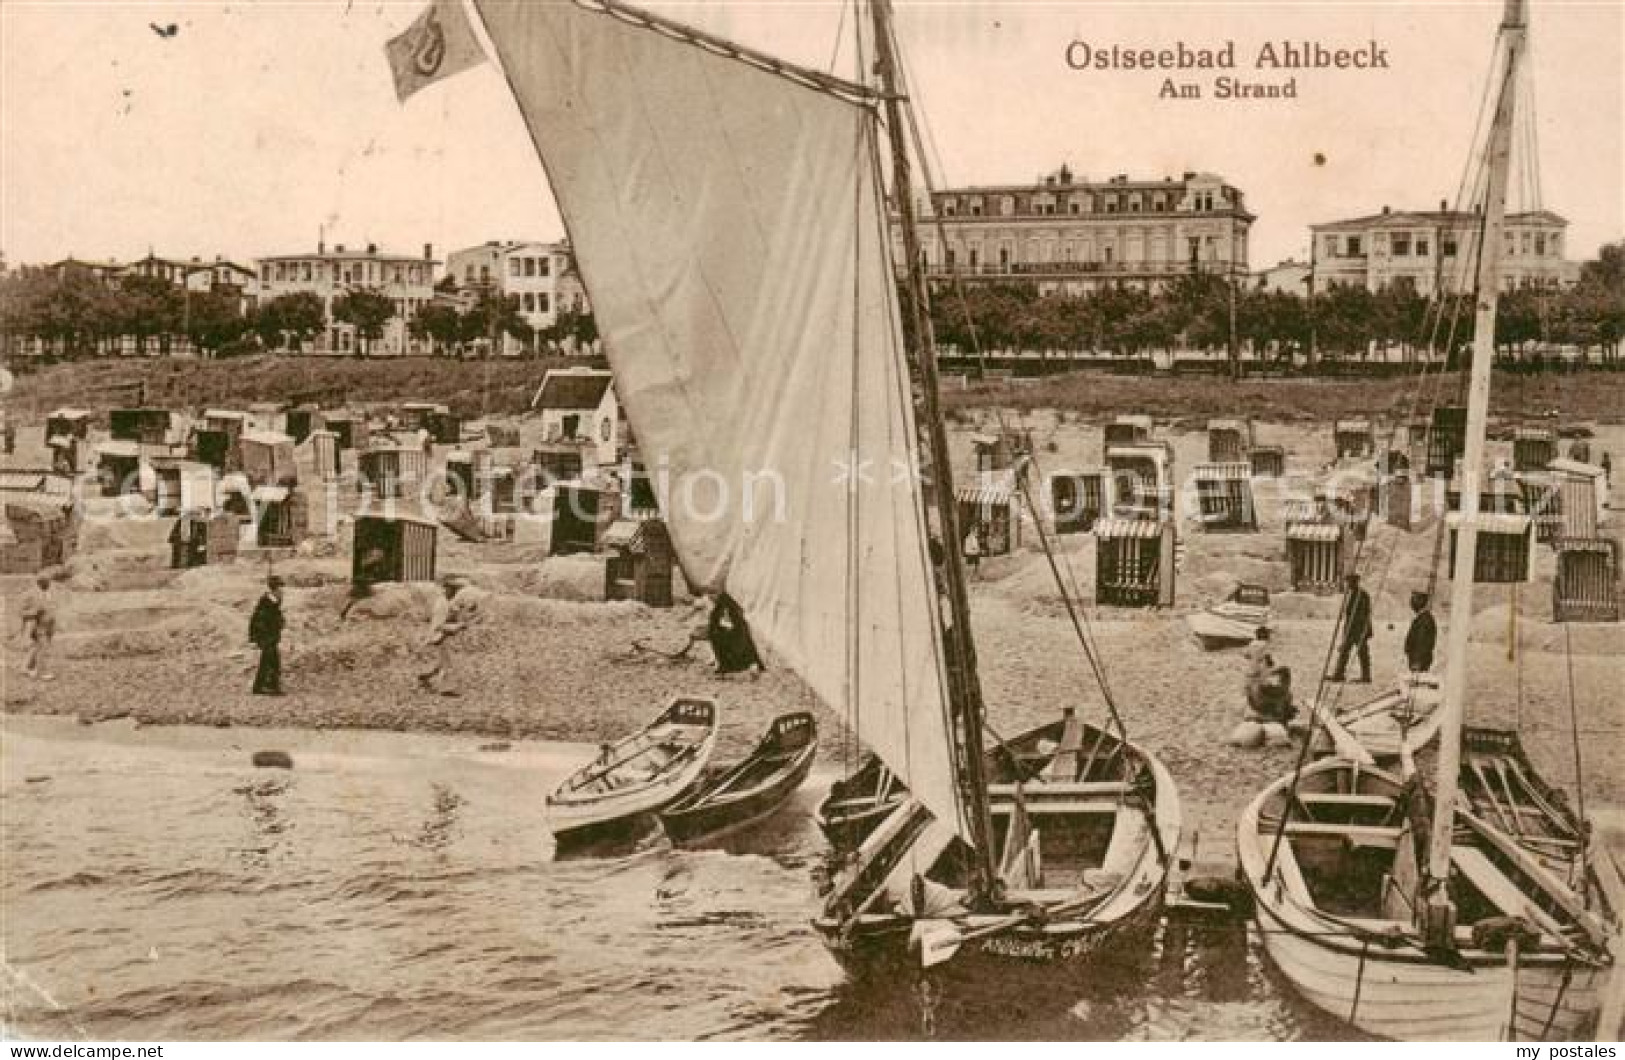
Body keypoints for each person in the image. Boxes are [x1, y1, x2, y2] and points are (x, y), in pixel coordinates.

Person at [419, 575, 477, 695]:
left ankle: (425, 677)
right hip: (438, 636)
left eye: (456, 590)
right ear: (447, 589)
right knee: (446, 664)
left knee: (440, 663)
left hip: (440, 636)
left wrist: (460, 614)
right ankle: (444, 688)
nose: (455, 593)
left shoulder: (444, 602)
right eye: (453, 590)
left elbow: (449, 615)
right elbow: (439, 625)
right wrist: (457, 626)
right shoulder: (442, 604)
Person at [1329, 573, 1373, 683]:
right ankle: (1339, 674)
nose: (1347, 584)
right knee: (1344, 651)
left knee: (1362, 652)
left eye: (1349, 582)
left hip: (1359, 629)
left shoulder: (1362, 595)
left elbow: (1363, 614)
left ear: (1355, 582)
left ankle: (1366, 676)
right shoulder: (1351, 594)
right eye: (1347, 582)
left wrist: (1360, 630)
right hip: (1351, 628)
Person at [1245, 629, 1296, 725]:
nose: (1269, 636)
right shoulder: (1264, 645)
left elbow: (1246, 655)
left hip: (1249, 683)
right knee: (1285, 677)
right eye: (1268, 634)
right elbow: (1270, 662)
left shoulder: (1252, 643)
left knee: (1269, 682)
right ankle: (1281, 711)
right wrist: (1276, 668)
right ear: (1265, 635)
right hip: (1259, 688)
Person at [707, 593, 764, 675]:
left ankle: (725, 666)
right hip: (736, 634)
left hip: (735, 637)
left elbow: (728, 623)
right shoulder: (723, 606)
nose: (711, 597)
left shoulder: (726, 607)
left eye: (712, 595)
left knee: (718, 639)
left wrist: (719, 628)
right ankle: (723, 664)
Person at [248, 575, 285, 695]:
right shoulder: (266, 602)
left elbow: (276, 618)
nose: (282, 592)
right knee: (269, 661)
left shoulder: (273, 603)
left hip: (271, 637)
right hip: (267, 638)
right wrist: (263, 638)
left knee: (271, 661)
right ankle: (266, 687)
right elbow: (259, 621)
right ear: (275, 589)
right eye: (280, 588)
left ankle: (264, 686)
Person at [19, 575, 58, 680]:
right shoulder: (30, 595)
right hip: (37, 626)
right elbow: (22, 612)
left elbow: (52, 610)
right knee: (43, 648)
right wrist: (34, 612)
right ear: (39, 583)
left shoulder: (50, 594)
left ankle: (26, 668)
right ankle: (42, 673)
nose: (48, 584)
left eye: (49, 582)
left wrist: (54, 624)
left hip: (49, 626)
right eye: (45, 582)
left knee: (36, 647)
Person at [1404, 591, 1437, 673]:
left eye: (1413, 599)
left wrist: (1417, 662)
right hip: (1417, 660)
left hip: (1419, 661)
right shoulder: (1422, 618)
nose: (1411, 603)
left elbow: (1421, 642)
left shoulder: (1424, 620)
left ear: (1420, 601)